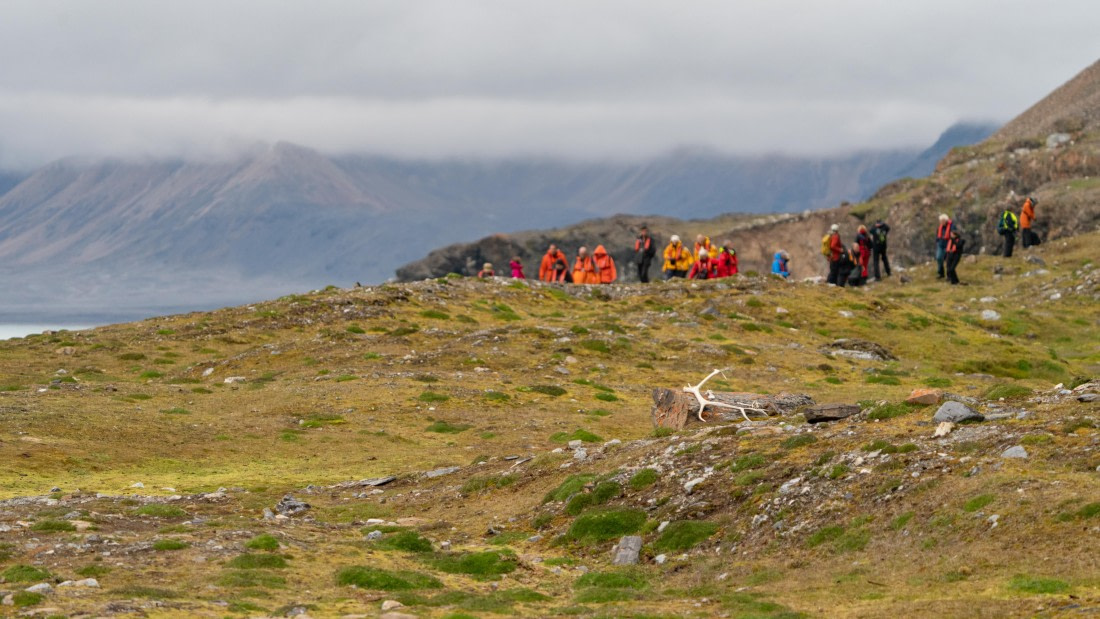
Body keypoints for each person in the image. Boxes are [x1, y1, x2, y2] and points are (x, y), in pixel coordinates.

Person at [935, 214, 953, 278]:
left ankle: (949, 275)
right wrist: (937, 241)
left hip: (948, 245)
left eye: (942, 221)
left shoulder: (951, 227)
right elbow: (937, 235)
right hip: (941, 245)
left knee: (948, 260)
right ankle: (940, 273)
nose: (941, 222)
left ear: (946, 221)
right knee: (939, 258)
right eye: (940, 221)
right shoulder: (940, 227)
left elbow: (954, 236)